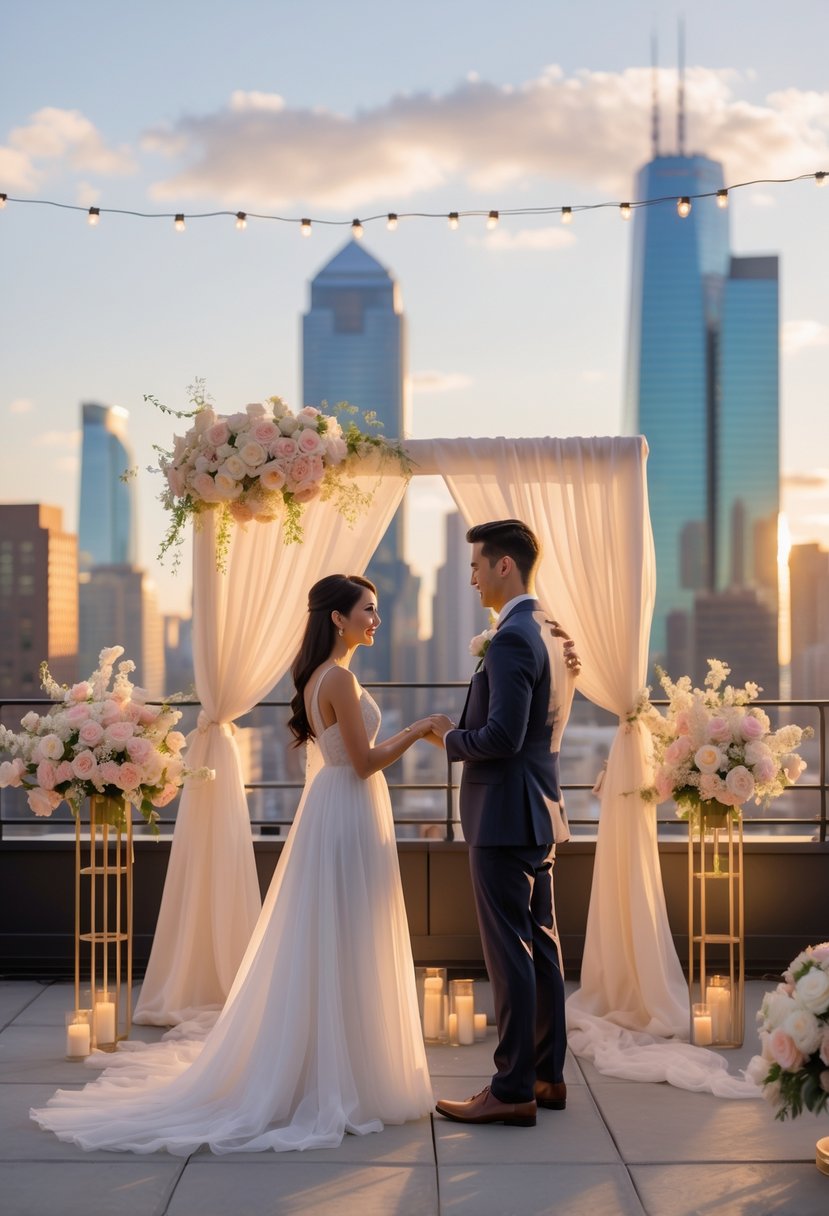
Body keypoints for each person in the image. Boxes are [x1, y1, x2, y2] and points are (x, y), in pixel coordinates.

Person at [32, 574, 435, 1154]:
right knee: (350, 934)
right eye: (368, 610)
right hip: (348, 806)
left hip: (336, 808)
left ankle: (333, 1067)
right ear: (337, 619)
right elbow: (367, 762)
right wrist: (420, 729)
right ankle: (342, 1074)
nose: (377, 618)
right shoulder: (340, 678)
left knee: (337, 936)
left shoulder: (324, 675)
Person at [430, 520, 580, 1128]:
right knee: (541, 947)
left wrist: (450, 738)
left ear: (503, 567)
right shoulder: (550, 629)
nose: (470, 578)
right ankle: (547, 1077)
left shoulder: (515, 637)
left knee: (509, 955)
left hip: (504, 815)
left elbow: (501, 736)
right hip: (539, 808)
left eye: (475, 566)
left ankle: (511, 1087)